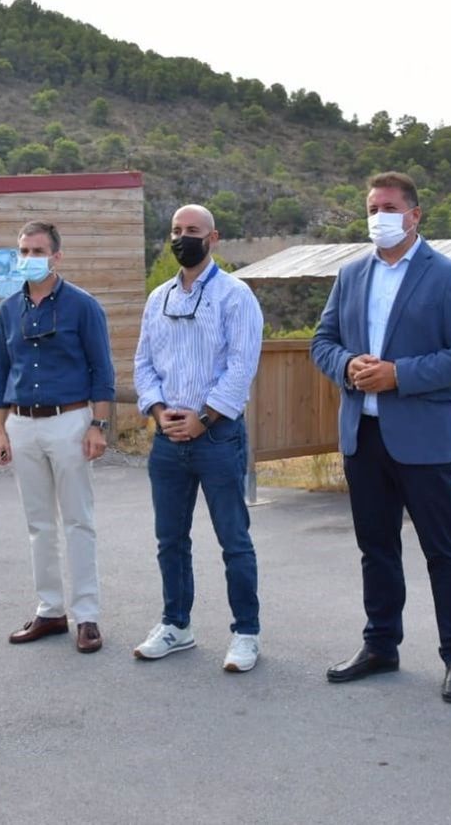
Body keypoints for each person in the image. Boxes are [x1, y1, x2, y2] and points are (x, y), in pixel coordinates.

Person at [310, 171, 451, 703]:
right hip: (362, 435)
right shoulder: (351, 275)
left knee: (443, 551)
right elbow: (322, 342)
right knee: (376, 548)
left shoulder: (450, 277)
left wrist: (399, 375)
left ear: (414, 215)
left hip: (424, 439)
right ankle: (381, 645)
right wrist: (347, 365)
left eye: (388, 208)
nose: (378, 217)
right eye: (372, 208)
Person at [132, 204, 265, 673]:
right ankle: (176, 625)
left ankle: (246, 632)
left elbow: (242, 366)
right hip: (168, 439)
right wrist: (158, 411)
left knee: (234, 539)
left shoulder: (235, 296)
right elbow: (143, 363)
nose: (182, 237)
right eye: (176, 230)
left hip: (218, 438)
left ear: (213, 238)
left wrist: (203, 419)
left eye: (192, 230)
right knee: (170, 538)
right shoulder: (158, 298)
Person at [0, 220, 116, 654]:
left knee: (78, 520)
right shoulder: (9, 309)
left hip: (70, 421)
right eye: (24, 251)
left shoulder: (83, 306)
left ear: (56, 256)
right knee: (38, 523)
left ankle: (87, 616)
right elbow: (0, 372)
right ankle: (50, 610)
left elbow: (102, 370)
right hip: (22, 423)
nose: (29, 258)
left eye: (38, 251)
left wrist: (98, 426)